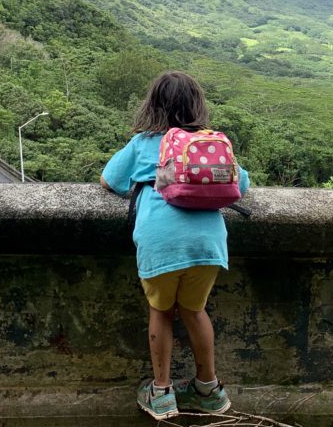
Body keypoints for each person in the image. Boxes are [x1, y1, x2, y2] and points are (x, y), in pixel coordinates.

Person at [101, 70, 250, 421]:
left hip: (160, 242)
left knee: (161, 312)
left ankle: (162, 392)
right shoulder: (211, 145)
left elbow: (109, 180)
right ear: (197, 105)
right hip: (207, 245)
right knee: (195, 311)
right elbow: (241, 183)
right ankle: (208, 390)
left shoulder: (142, 144)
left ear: (152, 105)